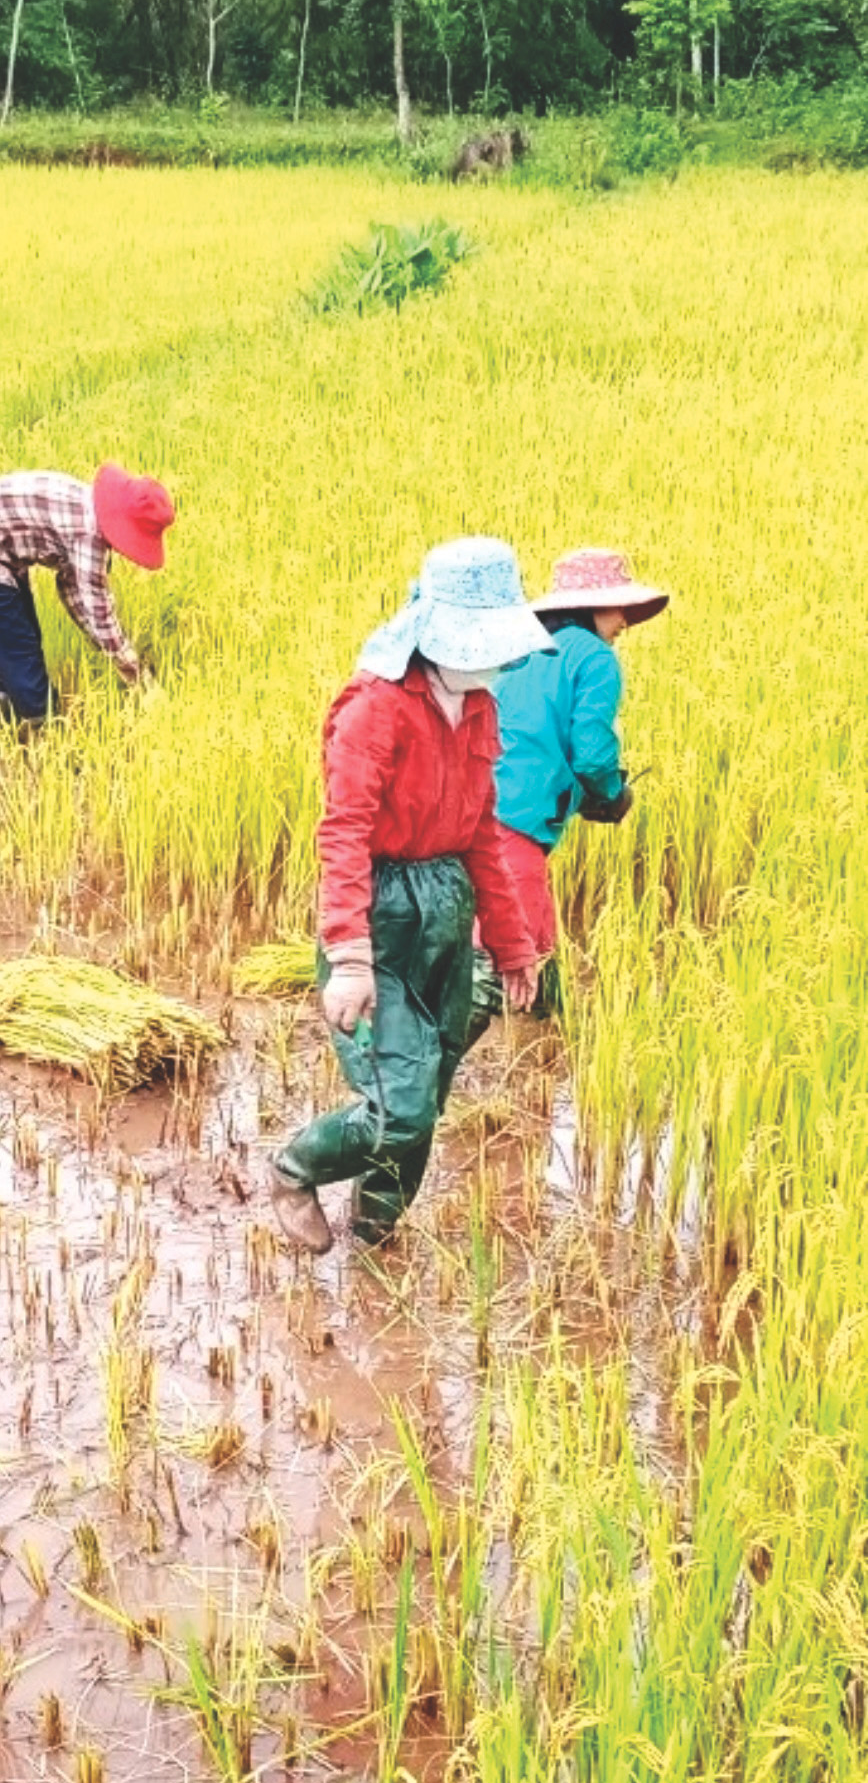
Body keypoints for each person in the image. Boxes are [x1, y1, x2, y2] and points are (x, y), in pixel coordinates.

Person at [270, 537, 555, 1256]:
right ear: (434, 634)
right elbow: (343, 833)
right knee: (400, 1108)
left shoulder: (480, 705)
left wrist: (513, 944)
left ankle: (375, 1231)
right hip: (383, 911)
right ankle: (296, 1168)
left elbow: (484, 833)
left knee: (432, 1088)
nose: (494, 658)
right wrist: (351, 957)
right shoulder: (377, 709)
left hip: (448, 913)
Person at [467, 547, 669, 1038]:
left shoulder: (520, 649)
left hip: (474, 804)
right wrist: (611, 792)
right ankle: (478, 1078)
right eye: (618, 608)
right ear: (590, 607)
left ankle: (542, 1053)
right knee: (512, 953)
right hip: (518, 815)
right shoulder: (595, 659)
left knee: (527, 935)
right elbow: (593, 753)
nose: (624, 622)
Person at [0, 463, 175, 727]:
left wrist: (101, 644)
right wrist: (140, 680)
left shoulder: (89, 508)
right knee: (22, 655)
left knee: (19, 641)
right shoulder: (89, 536)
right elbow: (100, 615)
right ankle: (49, 740)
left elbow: (71, 590)